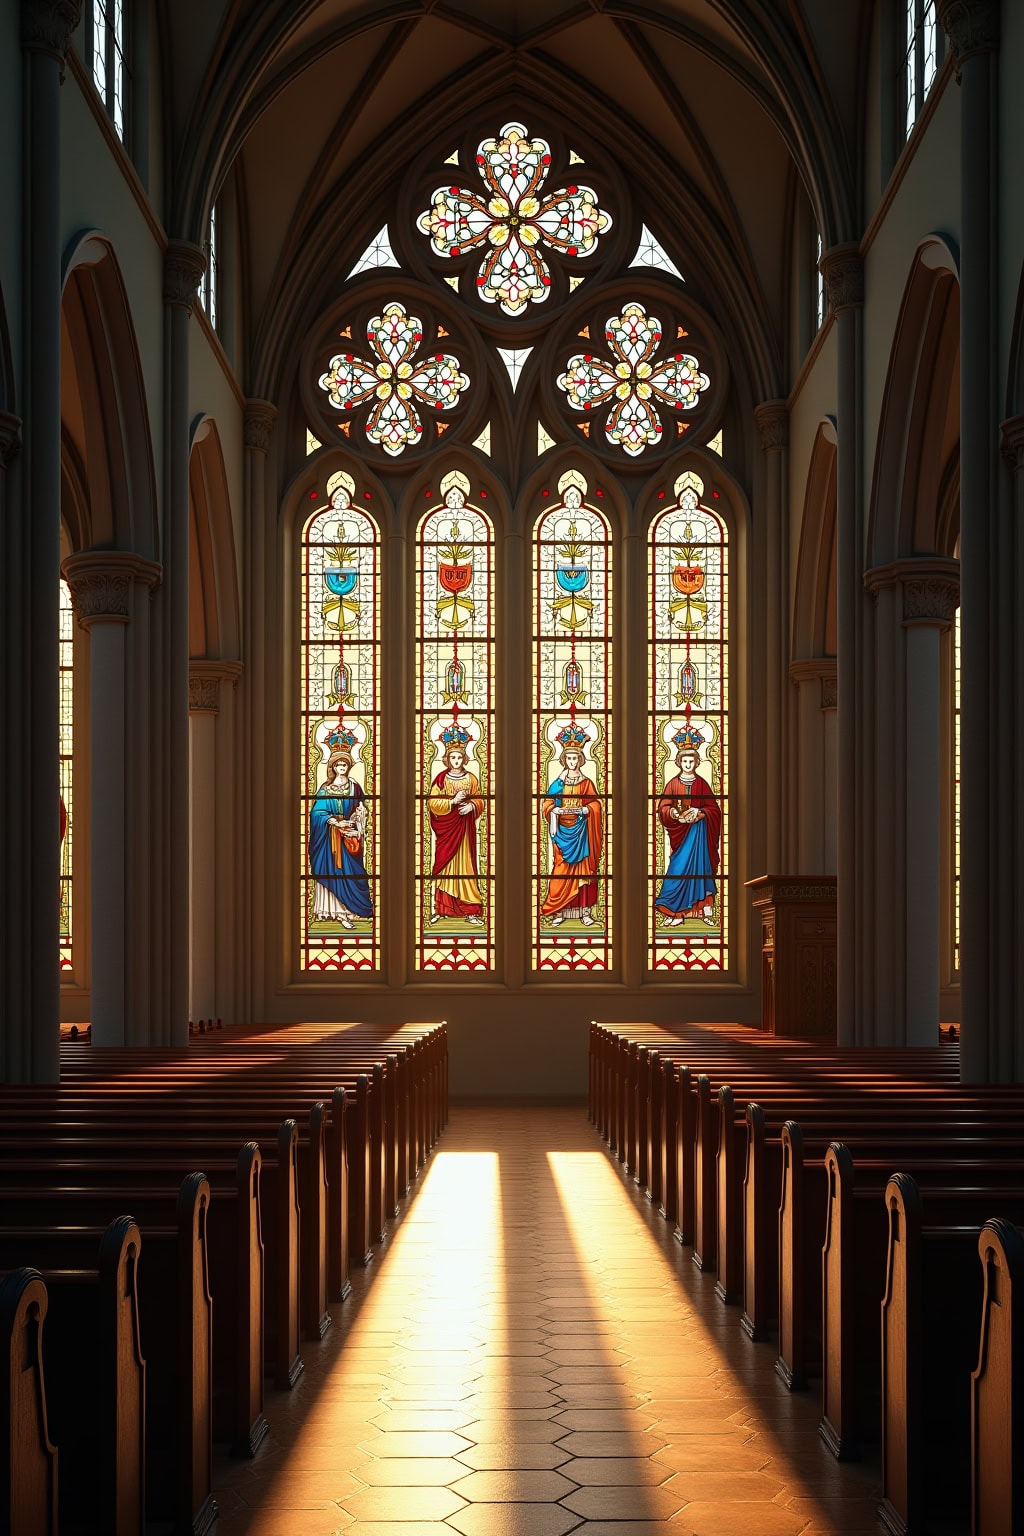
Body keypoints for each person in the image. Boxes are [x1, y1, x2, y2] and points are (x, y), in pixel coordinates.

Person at [655, 731, 721, 926]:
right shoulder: (673, 784)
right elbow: (663, 808)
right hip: (681, 838)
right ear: (679, 762)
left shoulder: (702, 784)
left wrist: (700, 814)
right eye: (684, 761)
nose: (688, 765)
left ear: (697, 762)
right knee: (678, 870)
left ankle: (703, 910)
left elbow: (714, 810)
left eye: (691, 761)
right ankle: (676, 913)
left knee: (701, 870)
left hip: (699, 836)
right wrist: (674, 814)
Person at [308, 739, 373, 929]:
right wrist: (336, 822)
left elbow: (362, 809)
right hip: (329, 839)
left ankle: (350, 912)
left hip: (349, 837)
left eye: (345, 764)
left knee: (352, 872)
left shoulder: (355, 787)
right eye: (338, 765)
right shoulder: (325, 789)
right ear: (333, 767)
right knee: (331, 872)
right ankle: (334, 912)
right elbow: (317, 813)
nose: (342, 767)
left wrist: (356, 821)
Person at [541, 734, 603, 926]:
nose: (572, 762)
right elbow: (547, 804)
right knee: (561, 872)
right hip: (562, 834)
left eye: (575, 758)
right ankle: (560, 911)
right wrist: (554, 810)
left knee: (583, 874)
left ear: (581, 760)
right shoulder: (558, 783)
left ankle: (585, 912)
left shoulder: (586, 783)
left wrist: (586, 809)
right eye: (569, 758)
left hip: (582, 833)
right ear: (564, 760)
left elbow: (596, 805)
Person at [428, 732, 484, 925]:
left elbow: (479, 799)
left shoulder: (471, 779)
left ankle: (470, 910)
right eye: (453, 757)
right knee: (445, 869)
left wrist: (473, 806)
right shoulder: (441, 780)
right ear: (447, 759)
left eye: (460, 757)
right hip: (447, 831)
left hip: (465, 830)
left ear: (465, 758)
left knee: (466, 868)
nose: (456, 760)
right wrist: (452, 802)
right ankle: (442, 909)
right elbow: (433, 804)